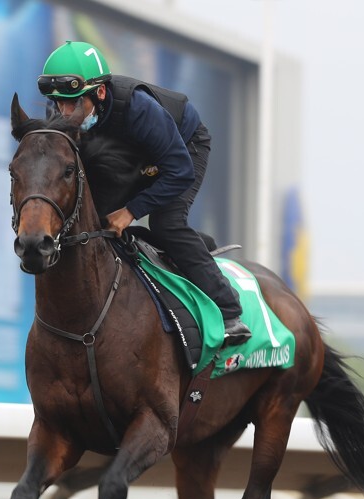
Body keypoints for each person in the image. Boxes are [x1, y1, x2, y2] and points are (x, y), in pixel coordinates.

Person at [37, 40, 252, 347]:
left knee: (166, 223)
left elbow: (179, 171)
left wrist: (131, 211)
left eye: (74, 104)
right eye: (59, 104)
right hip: (129, 152)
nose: (65, 113)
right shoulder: (61, 107)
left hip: (182, 149)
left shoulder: (139, 109)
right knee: (94, 218)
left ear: (99, 92)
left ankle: (230, 312)